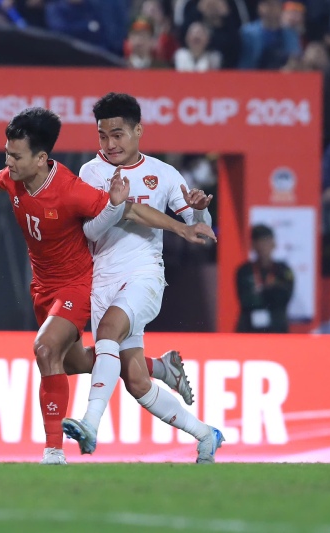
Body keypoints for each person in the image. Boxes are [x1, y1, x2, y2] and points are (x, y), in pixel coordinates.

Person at [0, 107, 214, 465]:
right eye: (7, 153)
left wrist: (182, 227)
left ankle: (55, 450)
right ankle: (158, 367)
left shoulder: (70, 189)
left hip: (78, 285)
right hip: (44, 288)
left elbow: (128, 211)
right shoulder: (16, 178)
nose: (9, 161)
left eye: (15, 156)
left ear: (41, 159)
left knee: (45, 350)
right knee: (74, 363)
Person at [60, 93, 225, 464]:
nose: (110, 144)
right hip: (103, 278)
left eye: (118, 134)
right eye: (102, 136)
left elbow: (200, 230)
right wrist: (116, 207)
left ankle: (89, 423)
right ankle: (205, 434)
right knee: (134, 380)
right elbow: (90, 229)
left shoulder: (165, 174)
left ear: (138, 131)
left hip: (145, 275)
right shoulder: (92, 173)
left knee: (107, 334)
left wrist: (201, 214)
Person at [235, 224, 294, 333]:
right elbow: (246, 300)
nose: (263, 246)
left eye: (266, 242)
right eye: (259, 242)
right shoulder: (245, 271)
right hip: (249, 329)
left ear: (273, 244)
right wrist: (271, 290)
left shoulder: (283, 270)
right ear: (253, 245)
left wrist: (262, 292)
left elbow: (284, 297)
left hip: (277, 329)